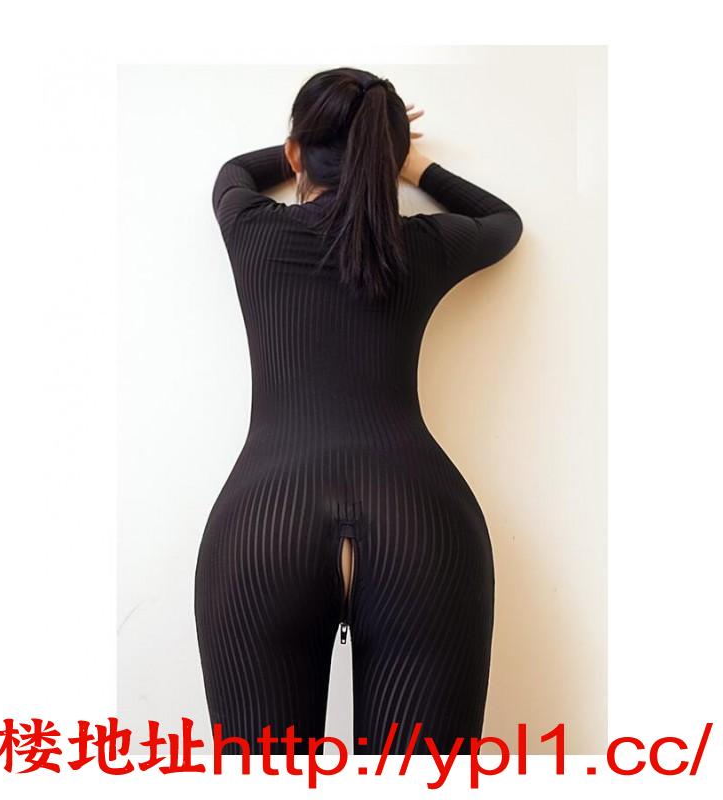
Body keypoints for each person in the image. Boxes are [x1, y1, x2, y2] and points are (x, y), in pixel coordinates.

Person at [194, 67, 524, 756]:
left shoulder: (251, 228)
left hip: (266, 522)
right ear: (386, 155)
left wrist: (327, 141)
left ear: (295, 153)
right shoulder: (422, 245)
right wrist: (408, 161)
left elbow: (233, 173)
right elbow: (504, 223)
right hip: (418, 522)